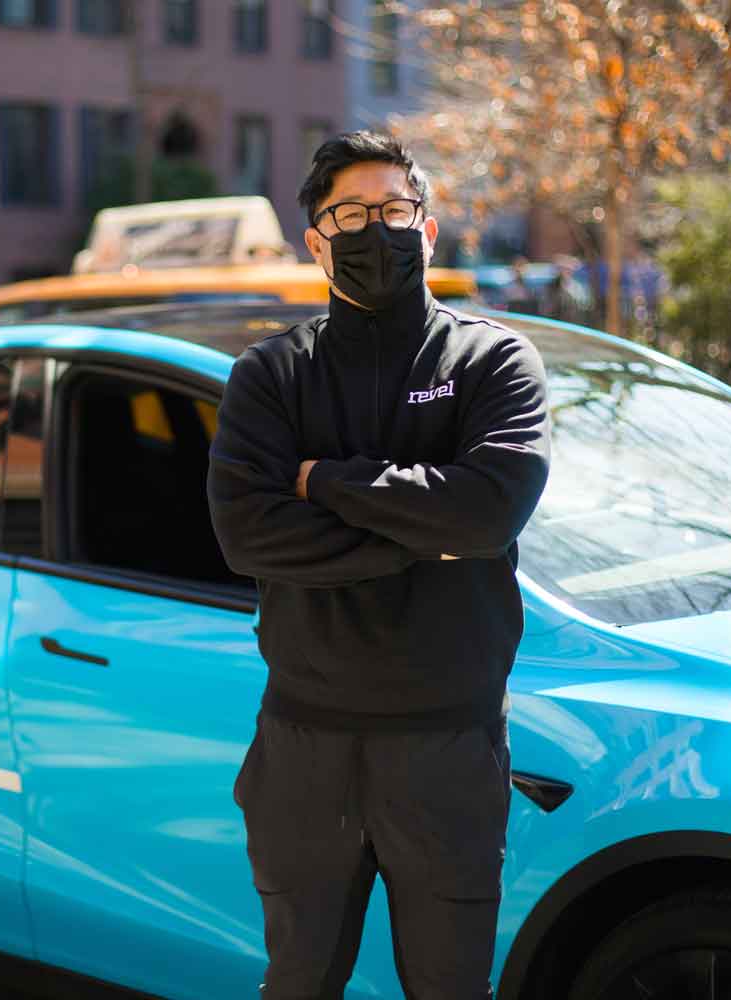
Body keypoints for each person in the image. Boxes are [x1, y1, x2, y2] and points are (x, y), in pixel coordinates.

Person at [206, 131, 552, 998]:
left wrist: (324, 479)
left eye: (395, 211)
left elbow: (489, 510)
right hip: (303, 745)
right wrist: (427, 531)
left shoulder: (493, 361)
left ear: (428, 231)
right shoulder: (271, 374)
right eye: (350, 215)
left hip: (447, 745)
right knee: (300, 980)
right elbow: (249, 536)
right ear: (315, 241)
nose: (376, 231)